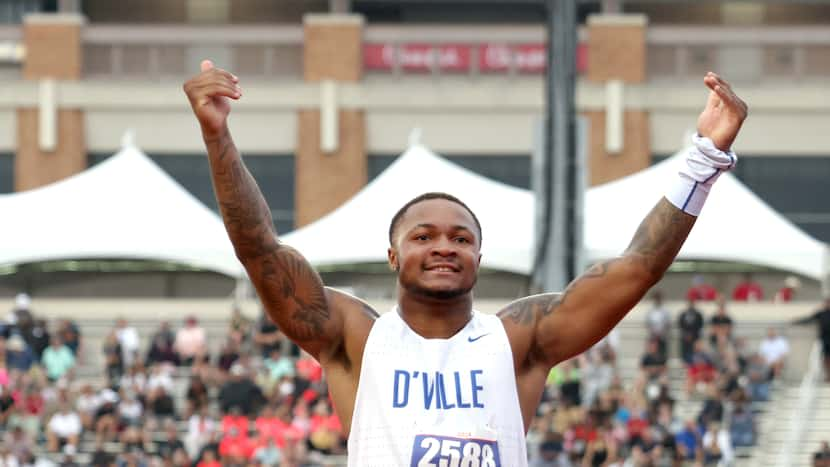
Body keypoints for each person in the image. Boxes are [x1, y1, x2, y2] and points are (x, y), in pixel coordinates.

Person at [184, 61, 747, 466]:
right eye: (423, 236)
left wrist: (704, 160)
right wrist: (217, 139)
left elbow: (636, 268)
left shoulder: (519, 338)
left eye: (461, 238)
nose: (444, 247)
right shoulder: (354, 336)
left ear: (480, 256)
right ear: (392, 255)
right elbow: (260, 251)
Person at [793, 298, 830, 381]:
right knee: (826, 358)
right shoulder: (821, 313)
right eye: (827, 303)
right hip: (825, 339)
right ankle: (828, 376)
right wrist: (796, 321)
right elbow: (809, 319)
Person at [677, 298, 705, 364]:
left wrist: (692, 334)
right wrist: (686, 334)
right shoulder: (683, 315)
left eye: (692, 303)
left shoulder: (698, 315)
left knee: (695, 350)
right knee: (685, 351)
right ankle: (685, 362)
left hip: (695, 337)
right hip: (685, 338)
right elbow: (681, 325)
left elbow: (700, 325)